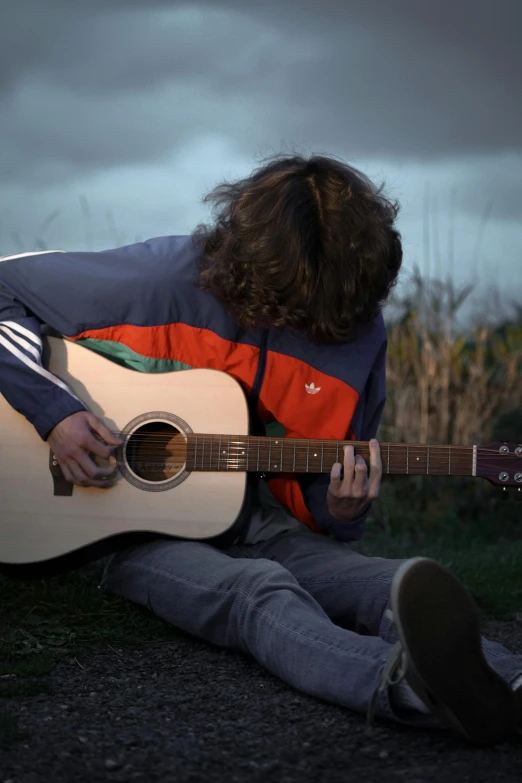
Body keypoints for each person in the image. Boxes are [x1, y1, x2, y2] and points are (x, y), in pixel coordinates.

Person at [0, 154, 520, 744]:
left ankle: (511, 684)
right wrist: (55, 412)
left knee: (387, 581)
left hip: (256, 523)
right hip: (120, 532)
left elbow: (323, 502)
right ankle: (406, 690)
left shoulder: (357, 331)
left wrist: (341, 510)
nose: (318, 322)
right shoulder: (161, 281)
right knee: (258, 593)